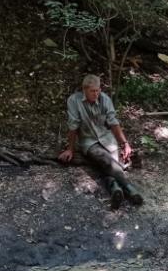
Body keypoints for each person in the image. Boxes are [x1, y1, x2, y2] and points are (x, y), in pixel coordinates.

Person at [58, 74, 143, 208]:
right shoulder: (74, 100)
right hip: (88, 141)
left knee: (110, 164)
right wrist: (70, 149)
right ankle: (130, 188)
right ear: (84, 90)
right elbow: (73, 126)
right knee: (105, 159)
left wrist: (124, 143)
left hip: (107, 138)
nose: (96, 93)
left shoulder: (105, 99)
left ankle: (115, 188)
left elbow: (113, 123)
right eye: (92, 91)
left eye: (98, 90)